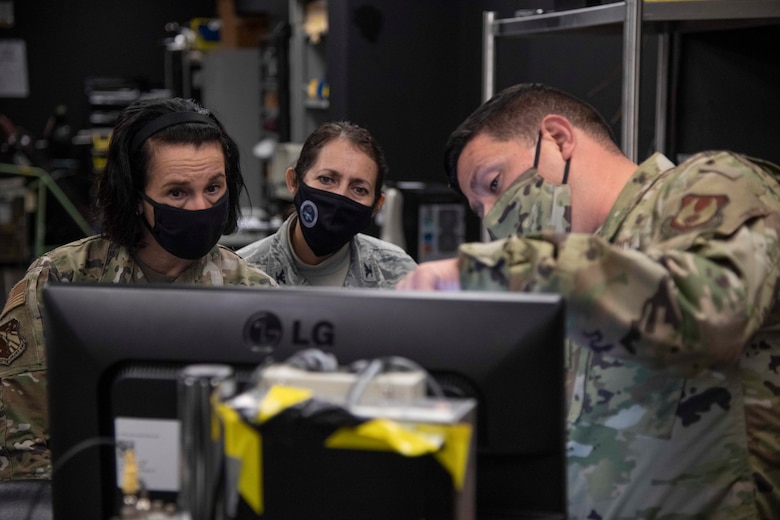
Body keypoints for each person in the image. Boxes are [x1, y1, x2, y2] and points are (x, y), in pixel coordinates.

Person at [397, 83, 780, 519]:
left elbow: (706, 311)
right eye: (480, 208)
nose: (492, 215)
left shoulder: (709, 185)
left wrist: (488, 270)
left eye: (494, 183)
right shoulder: (571, 289)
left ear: (558, 140)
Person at [0, 97, 277, 488]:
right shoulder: (58, 282)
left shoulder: (255, 293)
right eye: (178, 193)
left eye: (214, 188)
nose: (201, 207)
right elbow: (23, 454)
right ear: (133, 197)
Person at [237, 121, 416, 288]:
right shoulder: (240, 275)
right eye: (326, 179)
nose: (339, 196)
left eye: (359, 189)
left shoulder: (399, 274)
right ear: (294, 182)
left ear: (377, 206)